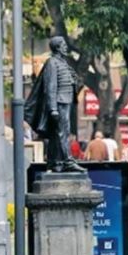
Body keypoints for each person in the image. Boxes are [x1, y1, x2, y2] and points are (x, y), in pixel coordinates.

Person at [24, 36, 85, 173]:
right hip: (59, 103)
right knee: (63, 132)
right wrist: (53, 109)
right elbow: (50, 86)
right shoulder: (52, 63)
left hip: (66, 101)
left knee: (56, 134)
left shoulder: (63, 63)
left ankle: (55, 162)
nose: (66, 47)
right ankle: (68, 161)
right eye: (63, 45)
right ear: (57, 47)